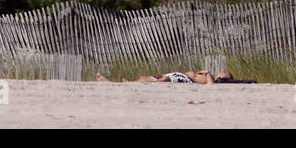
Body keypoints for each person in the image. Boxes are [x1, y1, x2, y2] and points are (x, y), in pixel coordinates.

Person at [95, 69, 255, 84]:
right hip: (182, 76)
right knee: (145, 78)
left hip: (184, 79)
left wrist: (207, 74)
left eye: (225, 73)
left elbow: (210, 86)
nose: (223, 71)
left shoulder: (213, 78)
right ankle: (117, 82)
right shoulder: (207, 74)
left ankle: (110, 82)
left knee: (162, 80)